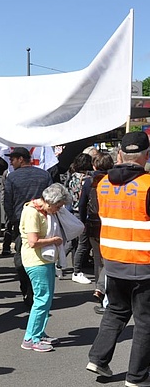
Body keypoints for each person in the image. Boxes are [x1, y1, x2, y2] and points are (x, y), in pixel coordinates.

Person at [86, 132, 150, 385]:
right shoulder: (147, 185)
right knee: (145, 322)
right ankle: (137, 376)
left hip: (112, 261)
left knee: (116, 311)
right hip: (143, 262)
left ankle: (98, 359)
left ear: (121, 154)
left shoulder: (103, 185)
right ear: (146, 156)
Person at [19, 183, 70, 352]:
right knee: (42, 299)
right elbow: (33, 242)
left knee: (45, 299)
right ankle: (31, 338)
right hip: (36, 261)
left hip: (43, 260)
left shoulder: (40, 210)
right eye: (58, 206)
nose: (59, 209)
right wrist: (54, 241)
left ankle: (38, 333)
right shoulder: (33, 212)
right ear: (49, 202)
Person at [4, 147, 53, 307]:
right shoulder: (44, 175)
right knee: (42, 255)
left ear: (21, 159)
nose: (10, 161)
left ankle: (26, 288)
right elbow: (51, 198)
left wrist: (12, 220)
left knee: (22, 256)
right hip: (43, 219)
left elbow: (8, 202)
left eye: (12, 159)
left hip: (21, 222)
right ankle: (38, 289)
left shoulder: (12, 178)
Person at [78, 152, 114, 314]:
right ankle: (107, 291)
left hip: (93, 223)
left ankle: (100, 289)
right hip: (110, 223)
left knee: (98, 259)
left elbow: (82, 204)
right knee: (110, 259)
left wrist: (82, 222)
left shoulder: (88, 182)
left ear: (94, 166)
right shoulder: (115, 181)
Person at [65, 153, 94, 284]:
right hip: (82, 213)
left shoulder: (72, 177)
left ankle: (56, 264)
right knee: (82, 244)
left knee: (72, 242)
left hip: (71, 212)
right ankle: (76, 271)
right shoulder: (87, 179)